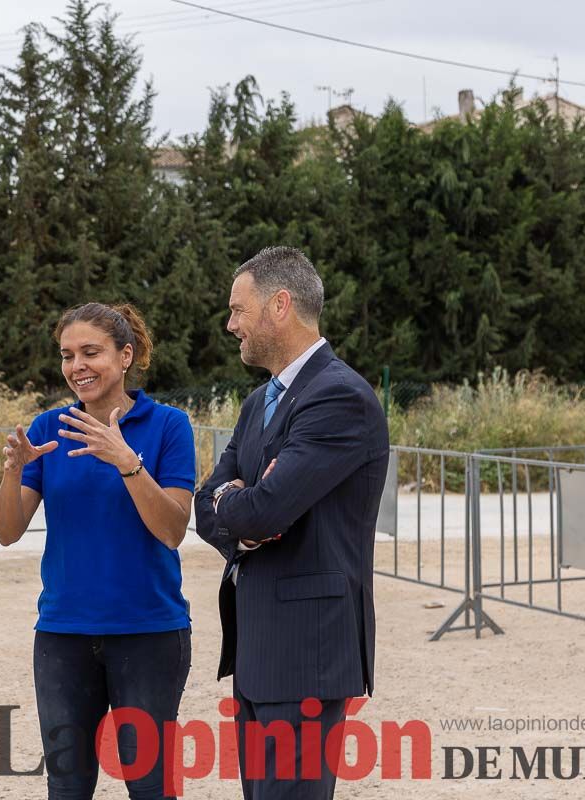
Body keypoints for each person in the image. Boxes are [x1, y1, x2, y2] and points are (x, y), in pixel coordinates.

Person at [195, 247, 388, 800]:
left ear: (279, 305)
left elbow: (263, 510)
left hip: (307, 652)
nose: (230, 324)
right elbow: (206, 504)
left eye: (238, 309)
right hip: (258, 649)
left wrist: (246, 504)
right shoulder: (259, 402)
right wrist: (242, 503)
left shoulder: (340, 397)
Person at [0, 302, 196, 799]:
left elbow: (172, 529)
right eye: (67, 355)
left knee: (151, 786)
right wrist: (13, 471)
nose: (76, 366)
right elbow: (7, 531)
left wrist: (126, 462)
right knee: (67, 786)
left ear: (125, 356)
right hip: (63, 637)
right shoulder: (48, 429)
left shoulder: (169, 426)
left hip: (148, 634)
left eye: (91, 352)